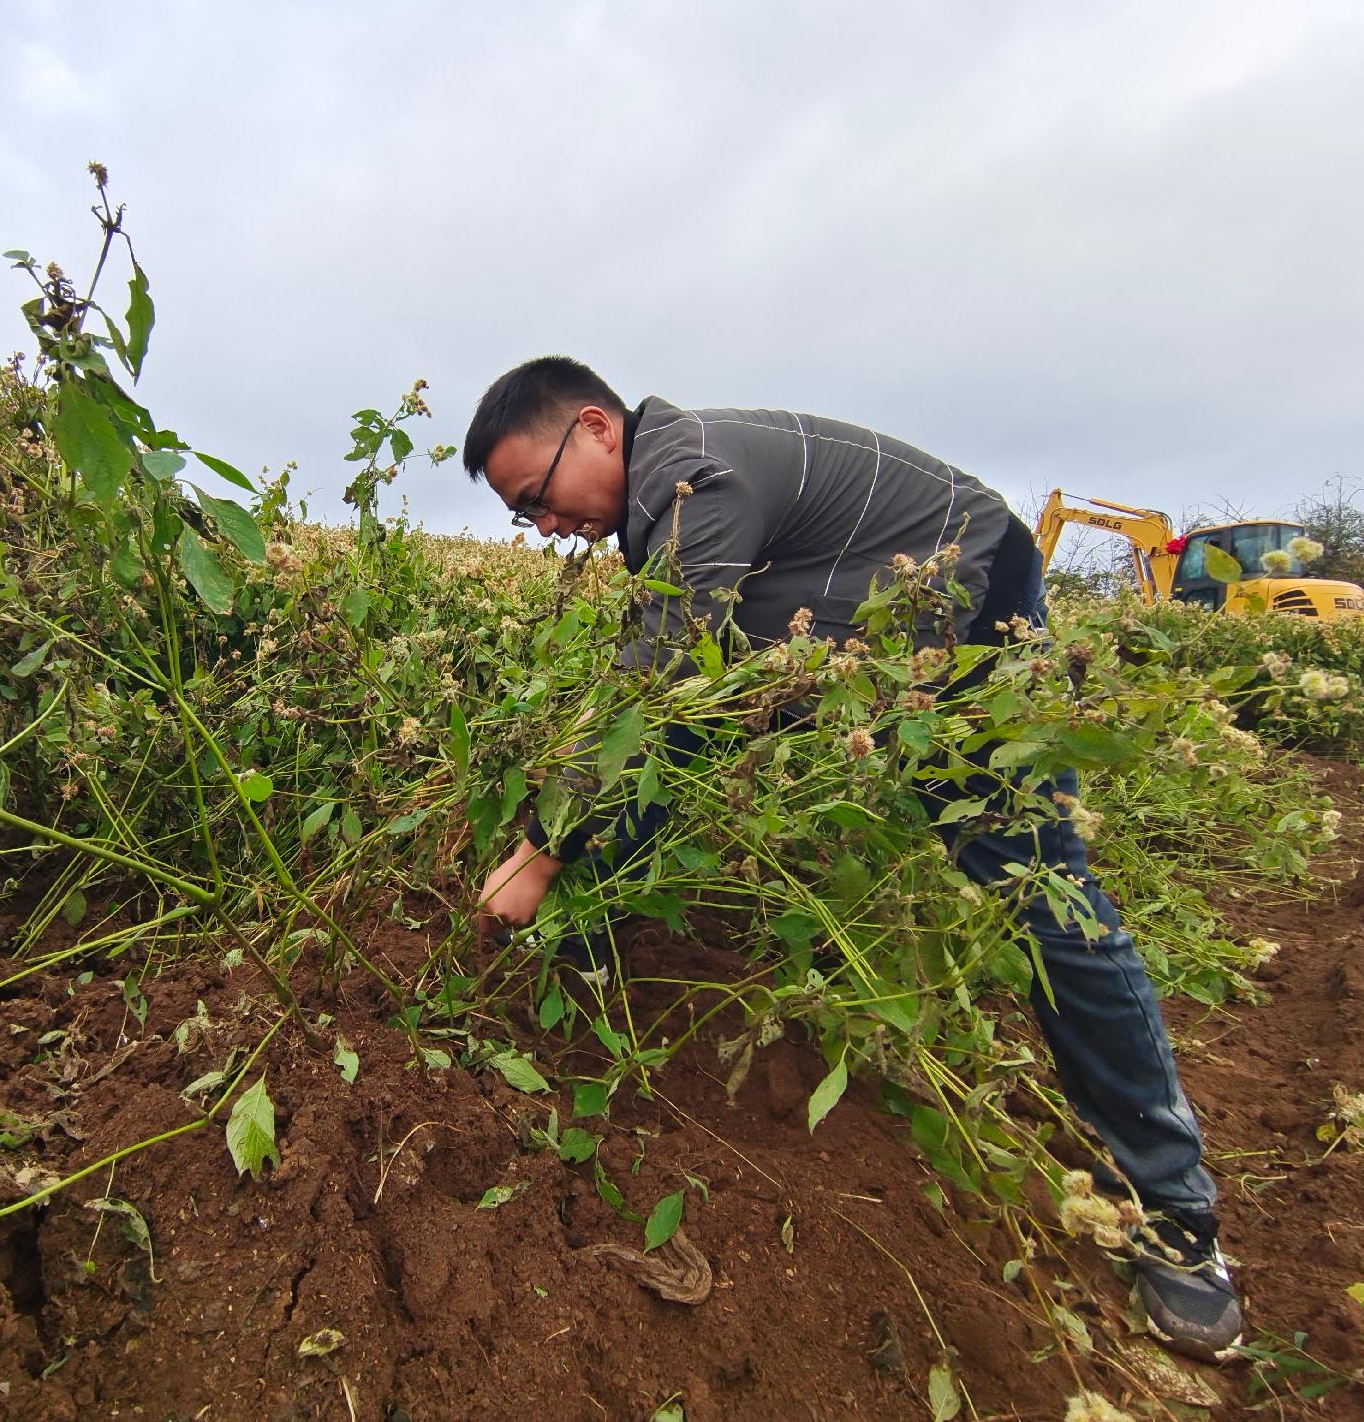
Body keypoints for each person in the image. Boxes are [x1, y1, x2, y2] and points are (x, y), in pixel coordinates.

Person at [462, 355, 1243, 1362]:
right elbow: (681, 699)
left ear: (597, 428)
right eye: (523, 515)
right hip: (839, 640)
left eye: (537, 496)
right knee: (671, 759)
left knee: (1039, 892)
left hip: (962, 620)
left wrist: (536, 848)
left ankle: (1174, 1214)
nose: (543, 527)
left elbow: (650, 692)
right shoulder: (660, 501)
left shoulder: (697, 481)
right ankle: (584, 937)